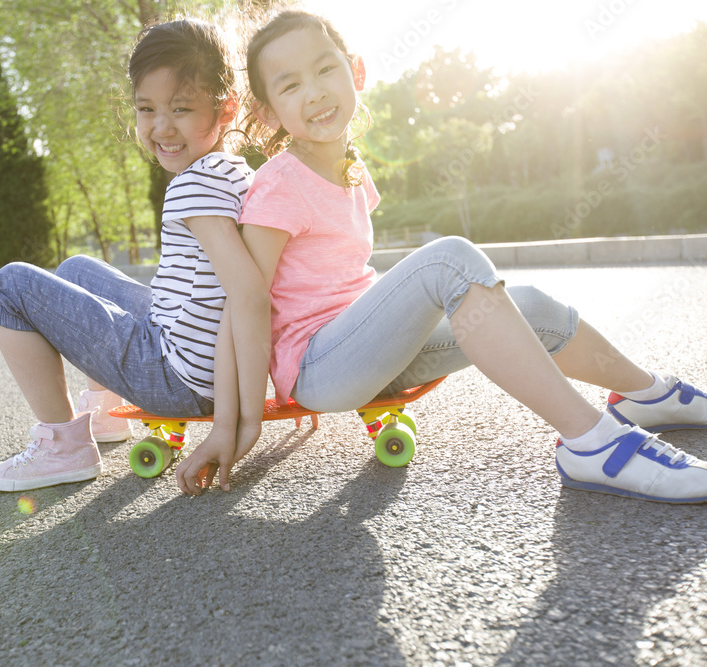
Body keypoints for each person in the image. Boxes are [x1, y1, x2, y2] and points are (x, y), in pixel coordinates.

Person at [186, 9, 707, 503]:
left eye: (326, 68)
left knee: (532, 304)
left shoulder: (350, 167)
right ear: (266, 111)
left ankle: (647, 393)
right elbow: (243, 304)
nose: (316, 91)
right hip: (321, 369)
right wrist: (237, 422)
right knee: (448, 261)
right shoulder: (279, 183)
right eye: (290, 84)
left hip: (374, 352)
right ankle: (593, 444)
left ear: (357, 70)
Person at [0, 18, 269, 492]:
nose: (160, 127)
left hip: (179, 378)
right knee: (75, 270)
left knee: (8, 287)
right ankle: (106, 416)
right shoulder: (230, 170)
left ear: (226, 110)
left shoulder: (193, 185)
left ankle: (65, 447)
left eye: (181, 108)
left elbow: (250, 294)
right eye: (146, 108)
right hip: (190, 349)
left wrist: (235, 423)